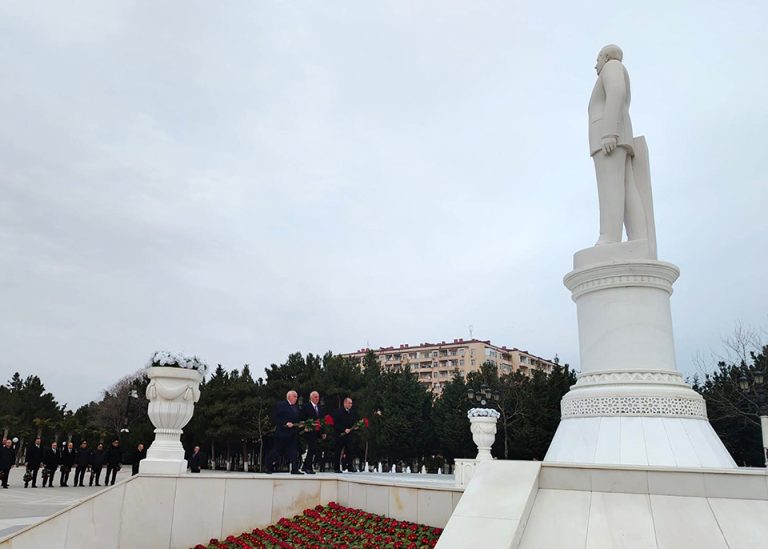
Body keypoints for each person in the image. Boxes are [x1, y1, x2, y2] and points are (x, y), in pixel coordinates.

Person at [588, 44, 649, 247]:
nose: (595, 65)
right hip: (616, 135)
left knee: (610, 186)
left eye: (597, 60)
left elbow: (616, 91)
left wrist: (609, 132)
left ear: (605, 57)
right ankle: (638, 238)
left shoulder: (612, 66)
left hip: (608, 137)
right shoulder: (615, 69)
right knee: (626, 186)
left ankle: (609, 237)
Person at [263, 390, 302, 474]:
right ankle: (267, 466)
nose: (296, 398)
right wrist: (285, 423)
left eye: (296, 397)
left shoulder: (296, 407)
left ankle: (295, 469)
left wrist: (300, 424)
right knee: (276, 450)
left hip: (293, 433)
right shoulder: (281, 405)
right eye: (295, 396)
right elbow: (275, 417)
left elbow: (297, 418)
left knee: (294, 451)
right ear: (289, 397)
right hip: (282, 433)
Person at [300, 391, 324, 474]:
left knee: (313, 449)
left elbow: (321, 421)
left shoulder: (319, 408)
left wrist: (323, 432)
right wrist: (305, 426)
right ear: (311, 398)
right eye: (315, 397)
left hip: (316, 432)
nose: (317, 398)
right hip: (308, 431)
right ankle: (308, 467)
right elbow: (301, 418)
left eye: (318, 397)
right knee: (311, 448)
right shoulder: (306, 407)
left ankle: (305, 466)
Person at [332, 397, 358, 473]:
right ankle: (336, 468)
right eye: (349, 403)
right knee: (338, 451)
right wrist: (344, 429)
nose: (350, 405)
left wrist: (355, 427)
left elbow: (353, 422)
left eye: (351, 403)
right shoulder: (338, 412)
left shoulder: (352, 412)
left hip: (349, 435)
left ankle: (350, 466)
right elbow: (335, 424)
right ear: (345, 403)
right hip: (340, 435)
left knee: (350, 450)